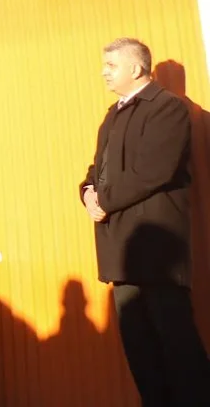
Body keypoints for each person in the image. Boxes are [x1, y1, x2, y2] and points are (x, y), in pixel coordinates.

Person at [80, 38, 210, 407]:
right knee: (141, 352)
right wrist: (88, 192)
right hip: (119, 253)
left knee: (178, 348)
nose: (104, 72)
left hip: (157, 254)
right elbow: (97, 169)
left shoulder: (167, 108)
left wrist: (102, 200)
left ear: (136, 69)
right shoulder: (113, 114)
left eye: (111, 65)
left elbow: (153, 171)